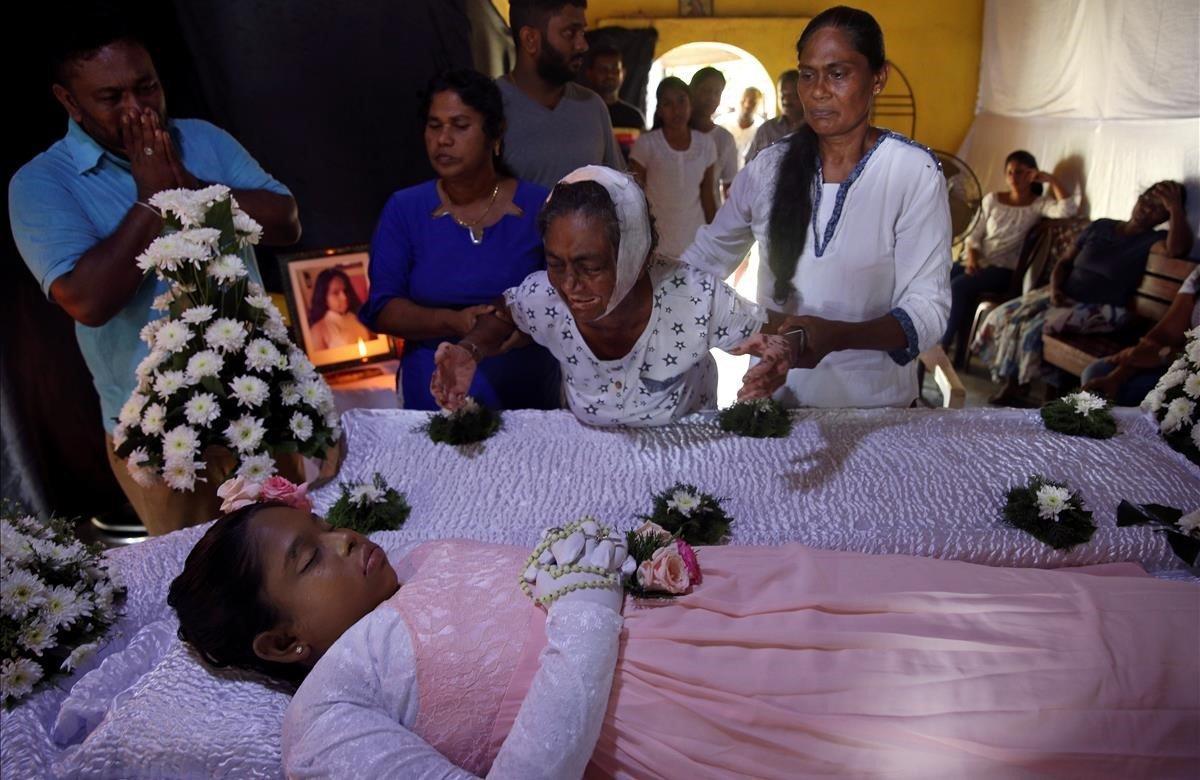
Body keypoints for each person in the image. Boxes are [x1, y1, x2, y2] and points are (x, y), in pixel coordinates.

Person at [168, 502, 1199, 777]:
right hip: (700, 713)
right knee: (990, 698)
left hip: (739, 602)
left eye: (326, 527)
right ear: (280, 646)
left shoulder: (420, 560)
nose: (349, 538)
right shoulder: (326, 719)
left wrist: (623, 557)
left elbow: (549, 568)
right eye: (311, 559)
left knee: (966, 612)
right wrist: (582, 603)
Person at [8, 18, 300, 535]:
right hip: (161, 436)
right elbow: (89, 301)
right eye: (111, 97)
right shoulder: (39, 183)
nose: (138, 109)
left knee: (298, 554)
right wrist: (151, 198)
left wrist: (188, 187)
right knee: (207, 583)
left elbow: (285, 221)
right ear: (69, 102)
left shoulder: (201, 140)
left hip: (262, 406)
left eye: (147, 87)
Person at [681, 7, 951, 409]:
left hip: (876, 411)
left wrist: (835, 335)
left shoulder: (911, 172)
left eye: (837, 73)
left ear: (878, 78)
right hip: (775, 402)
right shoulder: (769, 169)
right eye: (808, 74)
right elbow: (705, 261)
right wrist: (642, 294)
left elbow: (928, 308)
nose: (818, 90)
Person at [430, 166, 785, 427]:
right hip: (594, 457)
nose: (570, 285)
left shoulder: (695, 299)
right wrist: (470, 348)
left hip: (684, 463)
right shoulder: (545, 296)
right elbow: (507, 311)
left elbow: (784, 333)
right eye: (556, 263)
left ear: (637, 254)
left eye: (591, 267)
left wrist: (783, 351)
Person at [360, 70, 560, 411]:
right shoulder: (405, 209)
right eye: (434, 125)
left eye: (460, 125)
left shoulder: (541, 207)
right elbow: (384, 309)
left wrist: (521, 330)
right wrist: (454, 322)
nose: (443, 139)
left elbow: (566, 300)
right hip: (433, 394)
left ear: (495, 133)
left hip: (524, 392)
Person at [974, 181, 1192, 406]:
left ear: (1164, 218)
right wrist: (1056, 289)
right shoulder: (1101, 226)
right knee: (1005, 315)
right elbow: (1064, 263)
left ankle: (1017, 386)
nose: (1146, 209)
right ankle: (1016, 382)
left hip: (1102, 309)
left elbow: (1177, 250)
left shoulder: (1151, 241)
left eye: (1157, 208)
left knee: (1034, 329)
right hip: (1062, 294)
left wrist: (1175, 207)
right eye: (1145, 200)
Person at [942, 150, 1078, 367]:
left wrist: (1051, 179)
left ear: (1032, 175)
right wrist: (972, 259)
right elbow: (974, 233)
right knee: (945, 279)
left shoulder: (1038, 204)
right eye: (1010, 172)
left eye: (1021, 173)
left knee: (959, 287)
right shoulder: (993, 200)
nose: (1015, 177)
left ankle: (943, 345)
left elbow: (1068, 209)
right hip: (977, 261)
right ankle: (951, 349)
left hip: (1003, 271)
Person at [497, 0, 625, 189]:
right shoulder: (489, 105)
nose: (583, 45)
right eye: (570, 33)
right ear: (530, 39)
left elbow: (620, 192)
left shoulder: (592, 106)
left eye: (582, 33)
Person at [627, 78, 718, 259]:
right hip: (657, 246)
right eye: (667, 104)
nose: (676, 110)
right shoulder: (646, 144)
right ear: (659, 111)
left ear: (691, 104)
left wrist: (715, 239)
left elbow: (708, 195)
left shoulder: (705, 144)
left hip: (696, 245)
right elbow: (636, 197)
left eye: (681, 100)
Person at [1082, 264, 1198, 405]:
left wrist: (1165, 356)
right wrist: (1119, 374)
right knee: (1098, 372)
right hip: (1176, 363)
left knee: (1130, 392)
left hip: (1189, 371)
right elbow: (1166, 332)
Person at [688, 67, 739, 200]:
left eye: (717, 93)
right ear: (692, 90)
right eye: (706, 91)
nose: (711, 98)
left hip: (710, 218)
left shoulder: (725, 139)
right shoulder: (673, 132)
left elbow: (730, 189)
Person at [744, 69, 803, 164]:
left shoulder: (817, 129)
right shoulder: (766, 130)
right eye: (782, 95)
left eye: (792, 95)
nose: (786, 100)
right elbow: (749, 165)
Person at [306, 267, 373, 351]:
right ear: (324, 297)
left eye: (345, 291)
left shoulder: (358, 318)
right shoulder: (317, 331)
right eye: (336, 293)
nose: (344, 297)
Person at [582, 44, 645, 131]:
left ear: (623, 73)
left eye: (615, 70)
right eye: (602, 70)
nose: (609, 75)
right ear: (589, 74)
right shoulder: (580, 113)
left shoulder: (634, 117)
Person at [722, 86, 763, 167]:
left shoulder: (762, 130)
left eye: (752, 102)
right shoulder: (723, 124)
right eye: (743, 100)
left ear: (759, 106)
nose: (747, 105)